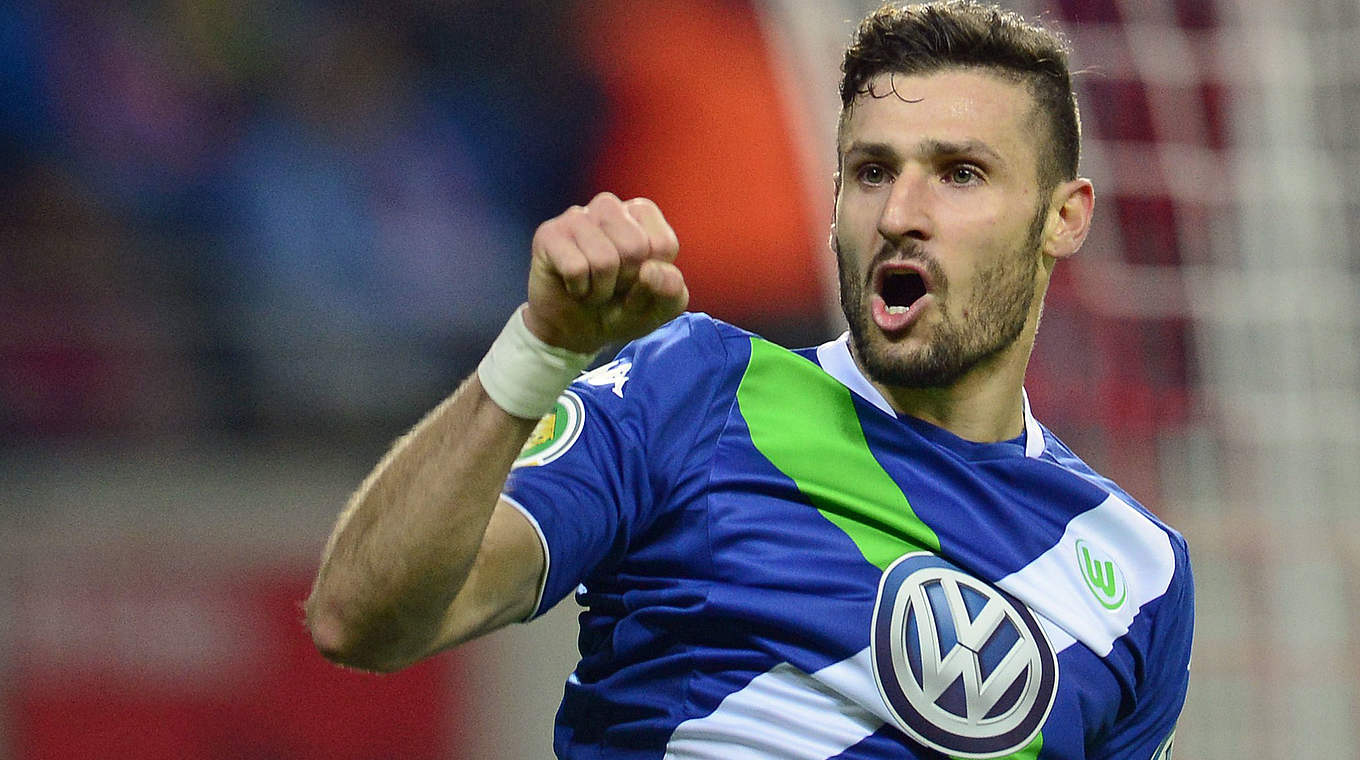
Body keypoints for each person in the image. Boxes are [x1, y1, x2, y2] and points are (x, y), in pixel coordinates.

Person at [305, 2, 1194, 757]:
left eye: (960, 174)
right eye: (872, 172)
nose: (901, 215)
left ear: (1064, 218)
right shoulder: (695, 390)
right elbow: (362, 618)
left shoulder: (1139, 573)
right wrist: (538, 350)